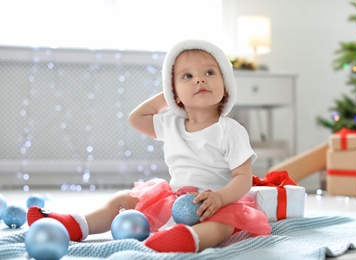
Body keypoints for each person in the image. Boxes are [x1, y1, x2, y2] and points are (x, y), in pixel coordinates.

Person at [27, 39, 271, 253]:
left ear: (226, 85)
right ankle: (77, 224)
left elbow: (242, 178)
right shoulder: (171, 123)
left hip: (214, 202)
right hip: (175, 198)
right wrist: (168, 94)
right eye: (188, 76)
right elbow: (136, 118)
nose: (199, 79)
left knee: (223, 225)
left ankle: (188, 240)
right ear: (174, 92)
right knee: (123, 199)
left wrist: (219, 198)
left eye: (209, 73)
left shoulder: (230, 130)